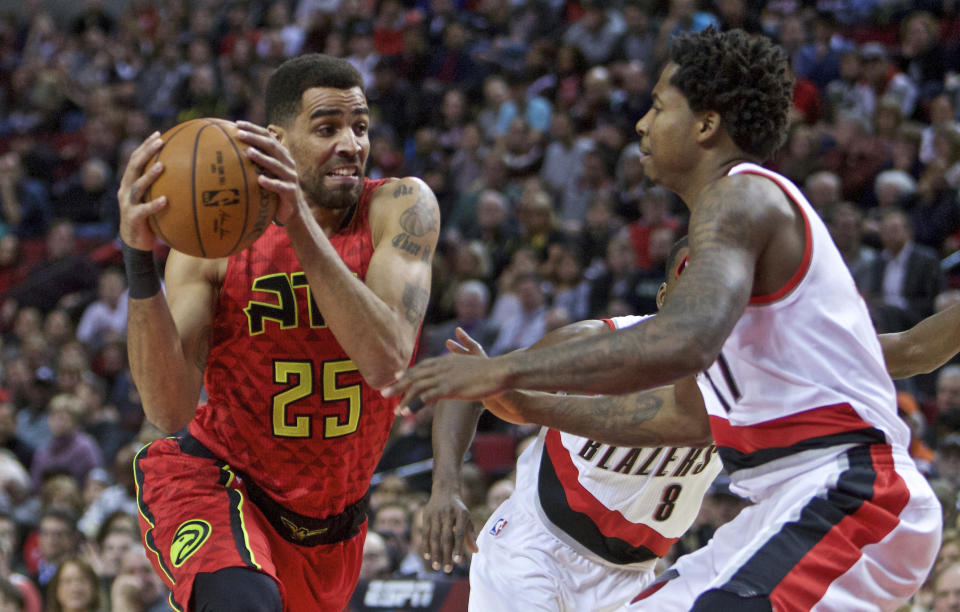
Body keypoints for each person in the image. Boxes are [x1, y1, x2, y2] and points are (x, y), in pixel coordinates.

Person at [387, 29, 940, 610]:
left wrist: (505, 371)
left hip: (846, 496)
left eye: (657, 106)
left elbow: (687, 340)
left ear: (705, 124)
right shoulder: (749, 336)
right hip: (588, 537)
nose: (641, 124)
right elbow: (670, 415)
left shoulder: (739, 198)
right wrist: (507, 393)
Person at [425, 236, 960, 611]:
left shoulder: (761, 365)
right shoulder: (596, 342)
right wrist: (446, 486)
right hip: (535, 544)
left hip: (636, 575)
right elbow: (469, 381)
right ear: (664, 299)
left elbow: (912, 350)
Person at [116, 54, 439, 611]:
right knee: (242, 601)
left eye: (360, 127)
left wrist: (299, 222)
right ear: (276, 140)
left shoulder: (400, 206)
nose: (350, 144)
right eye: (326, 127)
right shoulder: (215, 235)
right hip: (217, 481)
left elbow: (389, 365)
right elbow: (167, 410)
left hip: (332, 527)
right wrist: (138, 259)